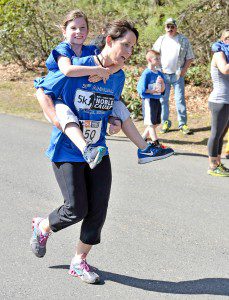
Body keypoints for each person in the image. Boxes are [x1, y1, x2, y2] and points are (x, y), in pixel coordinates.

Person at [30, 20, 175, 286]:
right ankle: (42, 227)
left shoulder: (118, 76)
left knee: (98, 210)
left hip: (99, 151)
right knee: (76, 208)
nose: (129, 52)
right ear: (109, 41)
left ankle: (79, 261)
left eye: (132, 48)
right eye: (125, 45)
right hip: (68, 150)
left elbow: (109, 110)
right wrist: (54, 115)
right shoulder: (79, 65)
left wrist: (114, 123)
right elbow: (42, 87)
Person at [39, 9, 124, 169]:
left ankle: (143, 147)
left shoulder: (91, 51)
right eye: (73, 28)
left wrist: (106, 71)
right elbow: (67, 70)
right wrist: (96, 70)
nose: (78, 32)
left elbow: (116, 62)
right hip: (55, 98)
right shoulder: (63, 49)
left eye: (83, 28)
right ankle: (86, 149)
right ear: (64, 31)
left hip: (80, 100)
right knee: (66, 114)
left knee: (118, 107)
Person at [153, 17, 195, 135]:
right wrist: (156, 71)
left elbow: (190, 57)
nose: (170, 29)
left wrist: (184, 71)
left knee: (180, 99)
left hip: (177, 75)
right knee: (163, 100)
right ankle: (165, 122)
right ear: (165, 28)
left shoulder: (183, 40)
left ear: (176, 27)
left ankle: (183, 124)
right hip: (163, 75)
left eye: (172, 26)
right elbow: (152, 55)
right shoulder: (161, 40)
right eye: (168, 26)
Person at [137, 49, 173, 151]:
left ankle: (142, 139)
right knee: (151, 124)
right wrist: (152, 91)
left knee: (156, 122)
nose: (158, 60)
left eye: (159, 58)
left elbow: (162, 90)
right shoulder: (146, 73)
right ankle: (156, 143)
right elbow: (141, 89)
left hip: (157, 100)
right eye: (156, 59)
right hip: (148, 100)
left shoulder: (159, 74)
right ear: (149, 60)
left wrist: (161, 84)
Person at [207, 29, 229, 176]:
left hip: (227, 101)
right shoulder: (219, 54)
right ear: (222, 40)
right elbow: (225, 69)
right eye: (227, 38)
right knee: (215, 134)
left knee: (221, 135)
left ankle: (218, 163)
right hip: (219, 100)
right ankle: (212, 166)